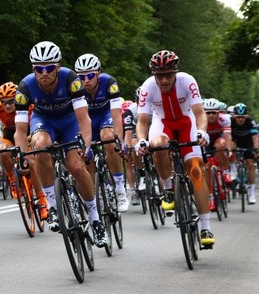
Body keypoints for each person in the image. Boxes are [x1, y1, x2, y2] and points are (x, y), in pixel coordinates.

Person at [14, 41, 107, 247]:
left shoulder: (71, 79)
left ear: (57, 67)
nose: (44, 73)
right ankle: (53, 206)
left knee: (76, 166)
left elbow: (84, 118)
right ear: (33, 69)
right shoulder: (24, 87)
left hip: (70, 122)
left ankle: (95, 219)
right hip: (43, 121)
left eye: (49, 68)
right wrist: (25, 154)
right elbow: (20, 131)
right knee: (39, 146)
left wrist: (87, 145)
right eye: (39, 68)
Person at [135, 50, 215, 247]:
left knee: (196, 172)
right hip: (163, 124)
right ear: (154, 75)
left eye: (168, 75)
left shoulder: (187, 81)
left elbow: (199, 113)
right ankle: (168, 187)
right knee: (158, 145)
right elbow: (143, 121)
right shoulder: (147, 87)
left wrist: (202, 132)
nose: (164, 80)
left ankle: (205, 226)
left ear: (176, 72)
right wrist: (141, 140)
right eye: (159, 75)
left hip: (187, 123)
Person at [74, 53, 129, 212]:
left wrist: (120, 141)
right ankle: (94, 193)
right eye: (81, 77)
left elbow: (117, 114)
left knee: (109, 138)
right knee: (86, 155)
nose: (86, 81)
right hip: (88, 120)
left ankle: (119, 189)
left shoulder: (109, 83)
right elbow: (77, 118)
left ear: (98, 73)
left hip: (106, 116)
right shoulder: (75, 87)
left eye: (90, 76)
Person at [0, 82, 48, 218]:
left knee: (31, 163)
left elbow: (36, 123)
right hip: (9, 133)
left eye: (10, 101)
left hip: (28, 131)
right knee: (2, 151)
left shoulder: (28, 105)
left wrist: (32, 138)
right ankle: (12, 181)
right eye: (3, 102)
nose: (7, 105)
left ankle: (42, 199)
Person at [230, 103, 258, 203]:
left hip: (248, 142)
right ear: (234, 116)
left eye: (242, 117)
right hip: (236, 141)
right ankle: (233, 169)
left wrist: (256, 149)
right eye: (238, 117)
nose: (240, 119)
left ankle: (251, 193)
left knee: (250, 164)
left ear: (246, 116)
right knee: (231, 147)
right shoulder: (231, 121)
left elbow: (255, 137)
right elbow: (228, 136)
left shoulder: (250, 121)